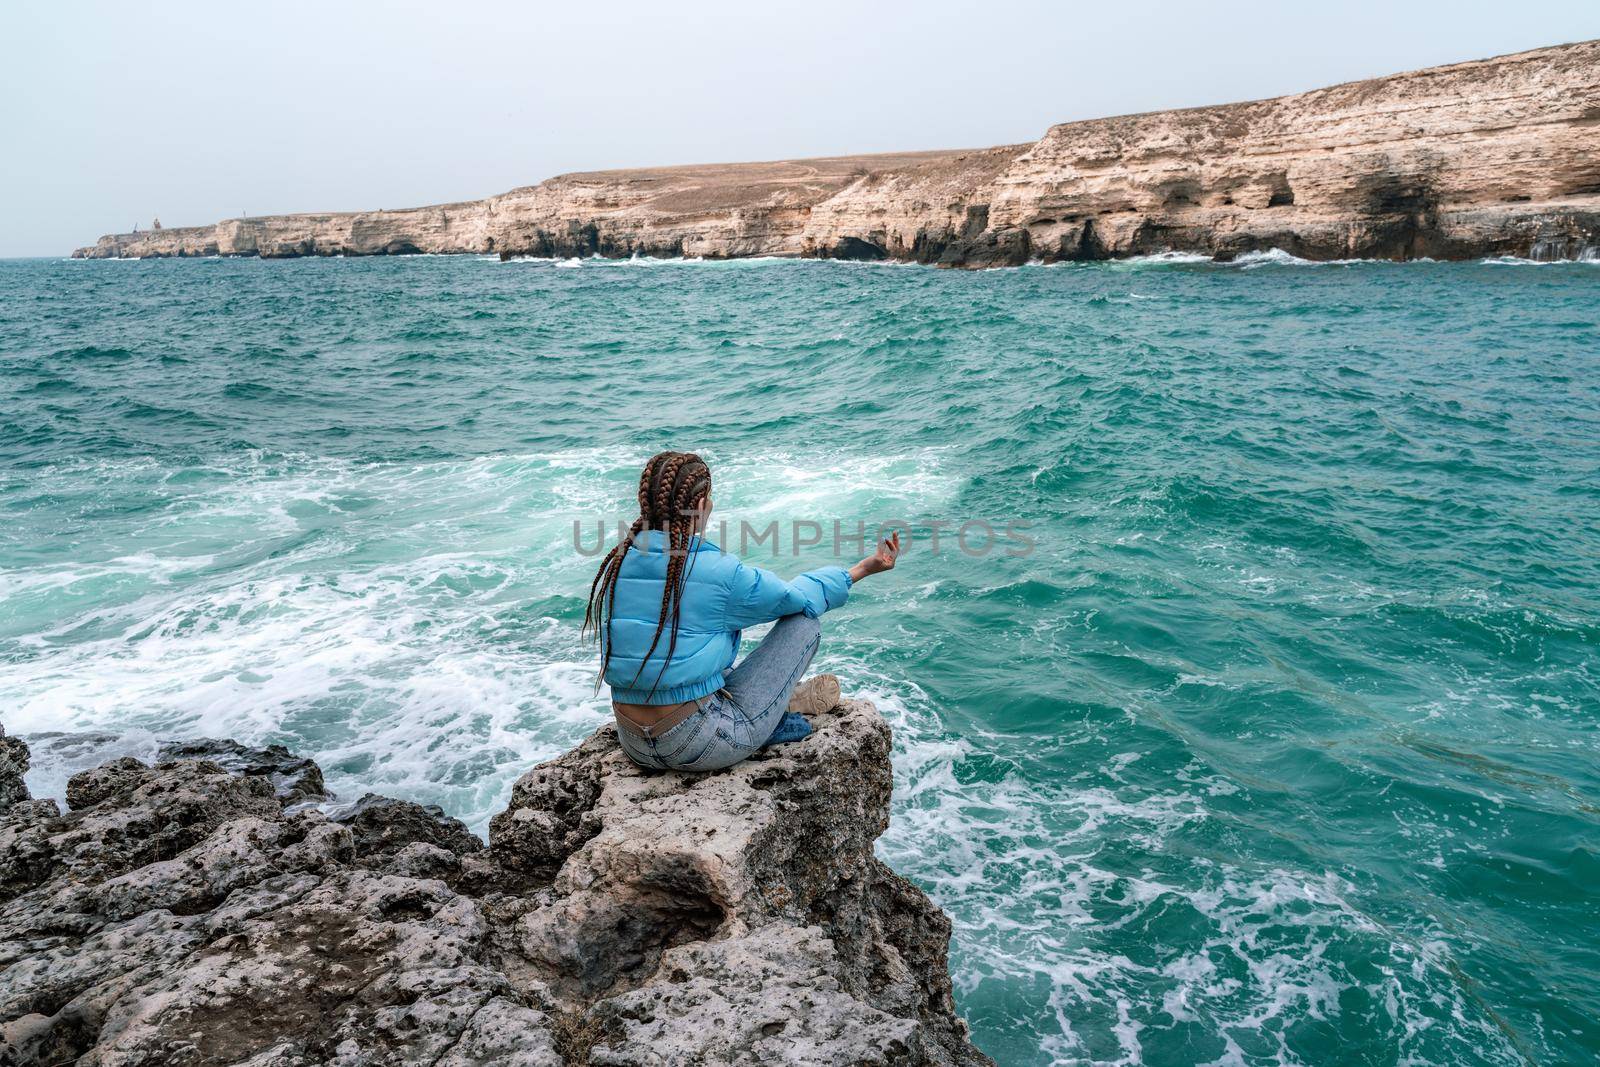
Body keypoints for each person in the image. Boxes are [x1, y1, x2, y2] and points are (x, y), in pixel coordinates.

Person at [585, 450, 900, 772]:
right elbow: (797, 599)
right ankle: (775, 717)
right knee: (803, 624)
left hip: (634, 743)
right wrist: (861, 569)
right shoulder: (716, 571)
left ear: (645, 503)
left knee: (691, 657)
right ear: (703, 505)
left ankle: (779, 703)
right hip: (698, 743)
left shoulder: (619, 563)